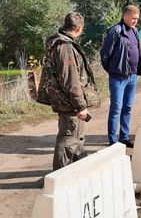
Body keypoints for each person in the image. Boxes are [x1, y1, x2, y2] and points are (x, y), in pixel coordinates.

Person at [47, 12, 94, 170]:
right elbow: (71, 81)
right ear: (79, 28)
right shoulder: (65, 47)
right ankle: (59, 177)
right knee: (68, 140)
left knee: (77, 137)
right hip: (70, 102)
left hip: (69, 101)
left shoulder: (64, 43)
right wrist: (81, 106)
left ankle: (80, 169)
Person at [100, 5, 141, 148]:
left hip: (132, 77)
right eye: (134, 18)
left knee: (128, 107)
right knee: (116, 108)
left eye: (137, 18)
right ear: (126, 16)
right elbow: (105, 54)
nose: (136, 21)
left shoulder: (135, 31)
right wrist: (113, 70)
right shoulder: (116, 30)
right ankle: (113, 140)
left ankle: (124, 137)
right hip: (118, 78)